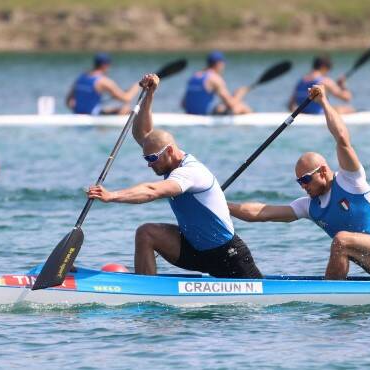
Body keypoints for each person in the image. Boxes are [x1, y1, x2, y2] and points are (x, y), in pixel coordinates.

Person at [229, 85, 370, 281]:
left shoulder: (350, 180)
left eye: (306, 179)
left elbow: (342, 139)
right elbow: (261, 213)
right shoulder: (308, 206)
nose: (303, 186)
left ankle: (330, 294)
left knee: (341, 240)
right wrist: (223, 204)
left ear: (323, 171)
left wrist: (323, 101)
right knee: (344, 242)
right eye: (300, 182)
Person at [87, 74, 262, 278]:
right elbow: (142, 133)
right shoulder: (164, 156)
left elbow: (152, 191)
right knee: (146, 233)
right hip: (194, 250)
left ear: (169, 151)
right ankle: (145, 289)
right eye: (146, 158)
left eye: (152, 158)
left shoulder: (190, 172)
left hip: (227, 255)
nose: (149, 163)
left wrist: (112, 196)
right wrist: (149, 94)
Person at [66, 52, 140, 115]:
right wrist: (138, 85)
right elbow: (126, 98)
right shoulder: (104, 82)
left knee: (110, 109)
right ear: (105, 65)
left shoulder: (81, 78)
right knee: (126, 109)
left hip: (77, 114)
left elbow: (69, 102)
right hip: (93, 116)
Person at [182, 51, 252, 115]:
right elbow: (230, 104)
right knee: (240, 106)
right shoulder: (215, 78)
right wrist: (239, 94)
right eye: (223, 64)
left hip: (189, 113)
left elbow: (183, 104)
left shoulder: (194, 76)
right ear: (219, 64)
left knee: (221, 106)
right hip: (205, 115)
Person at [288, 55, 354, 114]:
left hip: (303, 112)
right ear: (323, 67)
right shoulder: (325, 81)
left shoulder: (301, 81)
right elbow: (347, 98)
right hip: (318, 113)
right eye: (328, 70)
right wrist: (343, 85)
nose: (327, 73)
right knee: (349, 109)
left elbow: (290, 105)